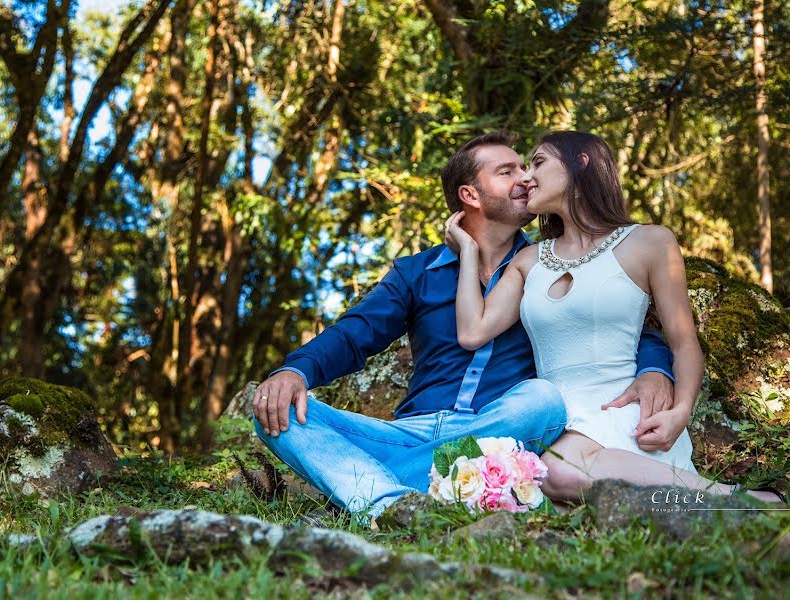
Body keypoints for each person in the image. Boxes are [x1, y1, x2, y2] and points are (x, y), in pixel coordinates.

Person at [252, 130, 677, 520]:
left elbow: (617, 321)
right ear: (470, 194)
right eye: (507, 171)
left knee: (542, 400)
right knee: (276, 412)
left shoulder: (548, 264)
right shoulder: (418, 273)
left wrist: (654, 368)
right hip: (410, 432)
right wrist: (296, 370)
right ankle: (399, 502)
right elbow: (353, 333)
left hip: (505, 428)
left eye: (527, 168)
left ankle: (381, 490)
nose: (526, 179)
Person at [446, 130, 781, 503]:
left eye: (538, 162)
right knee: (540, 476)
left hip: (626, 414)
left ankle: (743, 500)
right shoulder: (528, 262)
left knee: (557, 471)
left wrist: (681, 411)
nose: (526, 177)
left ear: (581, 163)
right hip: (555, 420)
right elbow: (472, 332)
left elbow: (684, 342)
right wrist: (469, 250)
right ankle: (723, 504)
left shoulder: (650, 242)